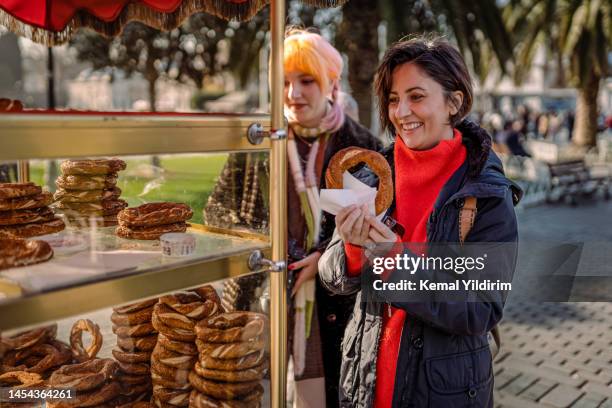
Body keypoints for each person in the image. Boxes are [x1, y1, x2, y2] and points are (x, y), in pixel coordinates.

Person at [319, 37, 522, 407]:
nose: (400, 112)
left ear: (453, 103)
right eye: (394, 99)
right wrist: (351, 246)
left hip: (444, 392)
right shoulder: (371, 177)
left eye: (416, 96)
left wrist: (393, 261)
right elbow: (332, 276)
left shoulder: (486, 193)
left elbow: (481, 307)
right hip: (362, 383)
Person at [283, 28, 382, 407]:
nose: (293, 94)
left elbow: (374, 231)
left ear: (331, 83)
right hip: (268, 300)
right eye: (285, 82)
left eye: (306, 81)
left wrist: (322, 256)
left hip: (334, 309)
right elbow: (225, 214)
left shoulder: (364, 147)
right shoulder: (260, 142)